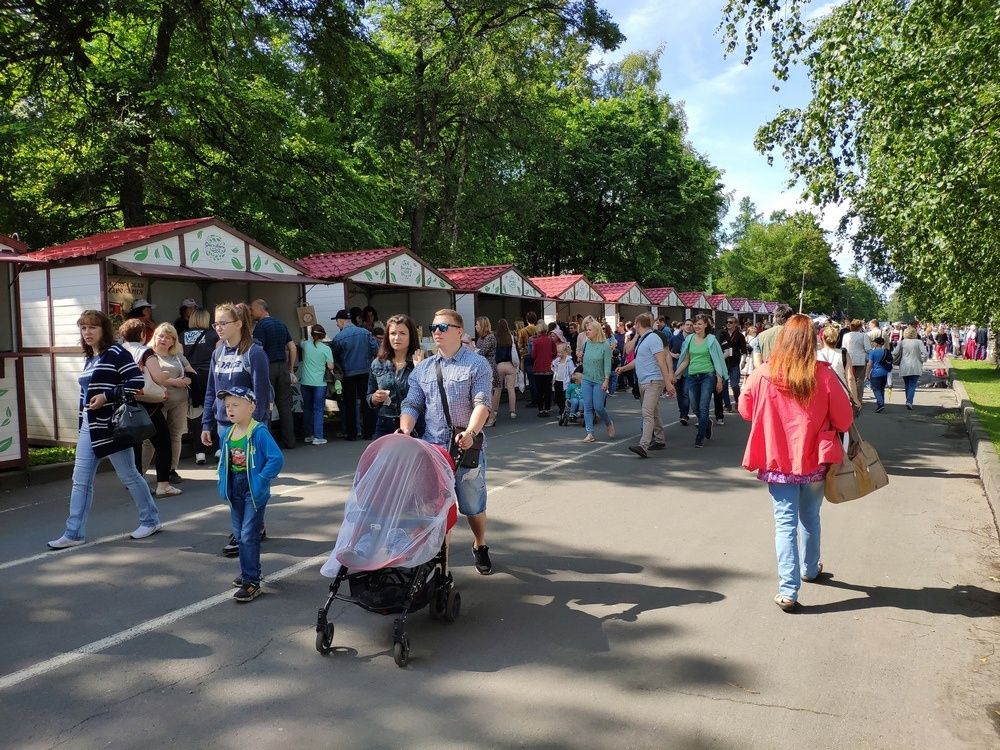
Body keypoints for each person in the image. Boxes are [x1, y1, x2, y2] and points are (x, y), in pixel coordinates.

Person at [738, 313, 854, 611]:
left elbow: (746, 410)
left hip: (777, 460)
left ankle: (788, 590)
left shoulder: (763, 373)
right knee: (810, 516)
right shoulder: (824, 375)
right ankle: (810, 568)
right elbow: (844, 419)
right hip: (814, 459)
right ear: (812, 341)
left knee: (784, 523)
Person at [47, 310, 162, 549]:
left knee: (129, 474)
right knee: (80, 480)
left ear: (104, 330)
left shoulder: (116, 352)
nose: (87, 333)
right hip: (90, 428)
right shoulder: (91, 357)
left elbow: (136, 382)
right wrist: (82, 425)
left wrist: (106, 397)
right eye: (83, 328)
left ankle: (150, 519)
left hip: (113, 427)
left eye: (92, 328)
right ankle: (73, 532)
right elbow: (85, 396)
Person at [399, 309, 494, 575]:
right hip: (434, 451)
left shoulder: (477, 365)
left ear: (459, 331)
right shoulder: (424, 369)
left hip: (467, 448)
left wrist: (471, 433)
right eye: (433, 327)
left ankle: (480, 543)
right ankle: (442, 569)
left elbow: (482, 403)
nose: (436, 331)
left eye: (442, 326)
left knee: (472, 506)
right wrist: (405, 429)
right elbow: (412, 403)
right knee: (439, 512)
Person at [202, 302, 272, 557]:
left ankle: (248, 529)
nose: (218, 328)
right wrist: (206, 422)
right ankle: (249, 527)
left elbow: (261, 395)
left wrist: (256, 428)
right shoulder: (217, 352)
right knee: (233, 482)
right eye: (216, 323)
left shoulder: (254, 353)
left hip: (249, 427)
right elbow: (211, 388)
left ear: (239, 324)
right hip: (224, 427)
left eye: (223, 323)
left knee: (252, 482)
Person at [215, 386, 284, 603]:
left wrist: (262, 480)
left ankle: (252, 581)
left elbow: (276, 458)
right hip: (234, 487)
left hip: (252, 489)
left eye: (236, 405)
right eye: (227, 406)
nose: (230, 409)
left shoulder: (259, 432)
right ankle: (250, 570)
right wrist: (222, 481)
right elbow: (225, 461)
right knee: (239, 533)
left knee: (247, 535)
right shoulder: (228, 433)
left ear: (251, 407)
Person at [119, 319, 181, 498]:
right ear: (142, 334)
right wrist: (167, 375)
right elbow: (159, 378)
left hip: (125, 402)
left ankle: (135, 484)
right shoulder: (145, 352)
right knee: (162, 443)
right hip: (147, 402)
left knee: (135, 444)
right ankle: (163, 485)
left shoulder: (118, 351)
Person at [143, 323, 198, 484]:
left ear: (173, 340)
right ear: (154, 337)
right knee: (150, 439)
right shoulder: (148, 355)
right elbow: (148, 377)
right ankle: (140, 472)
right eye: (160, 335)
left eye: (168, 337)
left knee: (175, 436)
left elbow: (192, 374)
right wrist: (173, 381)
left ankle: (171, 469)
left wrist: (186, 380)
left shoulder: (178, 356)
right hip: (156, 403)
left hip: (179, 401)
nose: (163, 339)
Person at [616, 313, 675, 458]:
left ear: (637, 324)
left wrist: (668, 383)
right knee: (653, 412)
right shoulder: (643, 339)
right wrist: (623, 368)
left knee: (647, 412)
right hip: (644, 381)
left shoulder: (653, 338)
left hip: (653, 381)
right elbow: (638, 360)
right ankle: (660, 440)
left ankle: (643, 445)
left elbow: (661, 361)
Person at [672, 314, 727, 449]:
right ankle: (706, 423)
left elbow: (717, 360)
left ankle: (699, 437)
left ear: (706, 325)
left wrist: (719, 380)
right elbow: (686, 360)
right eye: (695, 323)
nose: (696, 326)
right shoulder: (689, 339)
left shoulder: (711, 340)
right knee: (695, 407)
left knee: (703, 407)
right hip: (692, 377)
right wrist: (675, 374)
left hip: (707, 376)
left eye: (700, 324)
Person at [249, 299, 297, 450]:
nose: (251, 313)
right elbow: (292, 347)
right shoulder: (281, 324)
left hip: (267, 368)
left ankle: (268, 443)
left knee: (265, 405)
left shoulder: (261, 327)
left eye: (252, 310)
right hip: (283, 368)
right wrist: (290, 368)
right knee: (285, 406)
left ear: (260, 309)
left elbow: (258, 349)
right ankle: (290, 441)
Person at [368, 314, 424, 439]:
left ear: (411, 336)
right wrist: (374, 398)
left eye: (402, 333)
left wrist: (419, 368)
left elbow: (429, 396)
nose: (397, 338)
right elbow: (369, 396)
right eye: (393, 333)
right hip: (385, 423)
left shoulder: (421, 362)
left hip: (413, 424)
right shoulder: (378, 363)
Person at [331, 308, 378, 441]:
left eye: (337, 322)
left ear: (341, 321)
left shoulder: (339, 337)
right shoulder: (366, 333)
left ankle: (351, 434)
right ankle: (369, 432)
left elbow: (334, 355)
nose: (336, 325)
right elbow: (376, 349)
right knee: (367, 401)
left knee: (349, 404)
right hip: (366, 372)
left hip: (348, 374)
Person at [182, 308, 219, 465]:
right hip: (210, 375)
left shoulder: (182, 335)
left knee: (196, 413)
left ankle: (199, 453)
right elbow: (219, 355)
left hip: (192, 377)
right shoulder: (213, 335)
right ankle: (218, 448)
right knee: (216, 409)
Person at [579, 318, 614, 443]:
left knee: (598, 406)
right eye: (586, 330)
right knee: (587, 406)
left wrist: (606, 380)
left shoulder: (605, 346)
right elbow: (583, 360)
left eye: (589, 330)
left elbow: (607, 365)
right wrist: (580, 357)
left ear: (597, 331)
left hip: (600, 379)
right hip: (586, 378)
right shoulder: (586, 344)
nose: (587, 332)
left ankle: (608, 423)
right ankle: (590, 433)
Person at [299, 324, 335, 444]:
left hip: (305, 382)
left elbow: (300, 342)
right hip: (320, 383)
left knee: (307, 408)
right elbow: (331, 366)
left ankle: (308, 435)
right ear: (323, 335)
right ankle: (318, 437)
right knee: (318, 409)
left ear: (312, 334)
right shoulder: (326, 349)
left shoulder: (305, 345)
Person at [816, 324, 859, 401]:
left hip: (821, 392)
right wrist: (855, 398)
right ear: (838, 339)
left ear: (822, 338)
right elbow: (850, 377)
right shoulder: (844, 354)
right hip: (841, 392)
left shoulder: (816, 354)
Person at [717, 316, 748, 413]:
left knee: (734, 385)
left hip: (735, 362)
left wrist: (743, 361)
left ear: (735, 324)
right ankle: (727, 405)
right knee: (724, 385)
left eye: (730, 322)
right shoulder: (722, 333)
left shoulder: (740, 336)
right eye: (727, 322)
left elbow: (744, 350)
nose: (728, 324)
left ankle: (738, 401)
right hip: (724, 362)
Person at [474, 317, 500, 427]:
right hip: (482, 367)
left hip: (490, 367)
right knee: (485, 393)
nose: (475, 327)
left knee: (490, 392)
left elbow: (481, 352)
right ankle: (487, 416)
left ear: (483, 326)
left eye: (477, 325)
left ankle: (492, 417)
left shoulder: (490, 338)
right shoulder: (480, 338)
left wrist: (472, 350)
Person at [893, 325, 927, 410]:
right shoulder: (919, 342)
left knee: (907, 384)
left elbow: (895, 353)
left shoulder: (902, 342)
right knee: (912, 384)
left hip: (904, 365)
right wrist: (922, 360)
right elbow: (925, 354)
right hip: (916, 365)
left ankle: (908, 400)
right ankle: (909, 401)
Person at [493, 318, 519, 421]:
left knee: (497, 389)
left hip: (499, 365)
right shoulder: (511, 337)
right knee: (511, 389)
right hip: (510, 364)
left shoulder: (495, 338)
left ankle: (494, 411)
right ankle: (512, 411)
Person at [841, 319, 872, 405]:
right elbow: (868, 348)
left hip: (848, 359)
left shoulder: (846, 335)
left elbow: (843, 348)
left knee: (849, 379)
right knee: (860, 380)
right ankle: (858, 398)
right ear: (860, 327)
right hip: (860, 360)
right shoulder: (863, 336)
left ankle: (849, 397)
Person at [670, 319, 694, 424]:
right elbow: (666, 351)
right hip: (677, 370)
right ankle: (682, 412)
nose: (689, 327)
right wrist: (673, 355)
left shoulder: (694, 339)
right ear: (683, 326)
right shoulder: (675, 338)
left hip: (689, 370)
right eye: (687, 325)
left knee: (686, 393)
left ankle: (684, 415)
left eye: (691, 325)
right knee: (679, 393)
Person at [532, 323, 556, 417]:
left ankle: (540, 409)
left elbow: (533, 355)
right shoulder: (551, 340)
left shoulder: (536, 341)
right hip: (549, 367)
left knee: (539, 390)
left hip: (538, 368)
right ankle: (547, 409)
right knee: (548, 389)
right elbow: (554, 353)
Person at [865, 337, 892, 413]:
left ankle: (880, 404)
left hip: (875, 373)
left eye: (874, 342)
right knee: (881, 389)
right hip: (884, 372)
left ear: (877, 343)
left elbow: (869, 364)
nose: (873, 343)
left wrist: (867, 374)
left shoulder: (872, 352)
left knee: (875, 389)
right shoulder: (885, 351)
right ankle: (881, 403)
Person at [518, 311, 539, 407]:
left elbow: (520, 345)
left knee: (531, 378)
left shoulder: (522, 331)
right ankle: (539, 398)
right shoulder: (539, 330)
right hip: (537, 356)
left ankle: (534, 399)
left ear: (527, 320)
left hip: (527, 356)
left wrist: (523, 354)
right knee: (538, 378)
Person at [552, 343, 575, 423]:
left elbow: (572, 371)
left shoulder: (569, 361)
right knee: (557, 397)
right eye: (557, 352)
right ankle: (561, 410)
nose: (558, 354)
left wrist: (572, 378)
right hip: (557, 381)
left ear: (565, 352)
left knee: (563, 397)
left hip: (565, 382)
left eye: (559, 352)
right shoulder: (557, 360)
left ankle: (563, 411)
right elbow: (552, 366)